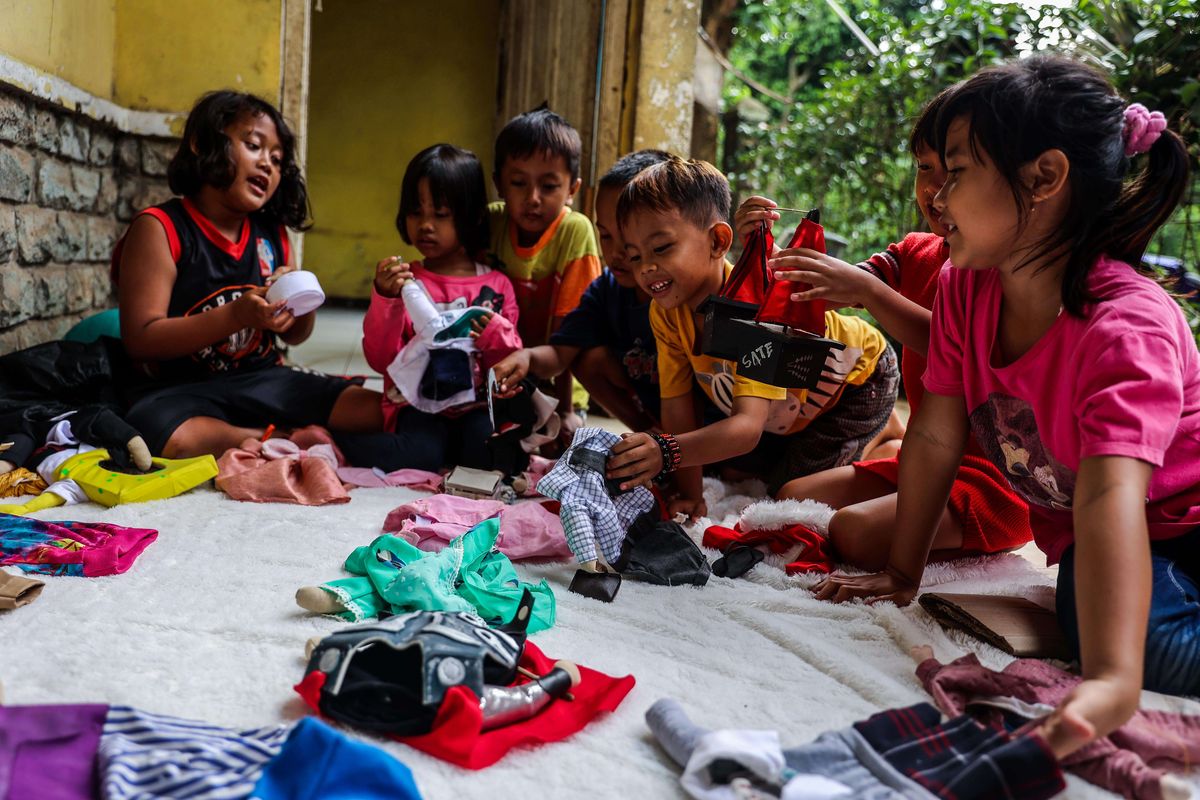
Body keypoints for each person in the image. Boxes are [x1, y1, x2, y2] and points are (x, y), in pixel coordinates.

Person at [813, 56, 1199, 758]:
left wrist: (1114, 681)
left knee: (1129, 645)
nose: (936, 197)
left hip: (1183, 519)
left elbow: (1111, 491)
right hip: (1119, 534)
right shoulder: (965, 288)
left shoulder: (1126, 325)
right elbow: (932, 436)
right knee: (1091, 613)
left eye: (955, 172)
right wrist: (904, 572)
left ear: (1043, 178)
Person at [740, 92, 1031, 569]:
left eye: (954, 172)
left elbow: (960, 349)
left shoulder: (1006, 271)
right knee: (791, 497)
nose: (936, 189)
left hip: (997, 482)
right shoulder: (917, 250)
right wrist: (757, 249)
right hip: (924, 461)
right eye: (924, 168)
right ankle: (892, 446)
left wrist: (871, 294)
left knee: (853, 534)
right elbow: (822, 294)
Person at [605, 157, 899, 516]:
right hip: (792, 410)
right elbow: (679, 408)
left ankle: (893, 449)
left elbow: (745, 429)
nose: (646, 267)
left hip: (858, 382)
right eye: (634, 257)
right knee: (732, 468)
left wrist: (665, 453)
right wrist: (692, 495)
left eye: (661, 248)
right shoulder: (664, 311)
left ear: (717, 241)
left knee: (791, 497)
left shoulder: (756, 309)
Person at [117, 91, 381, 458]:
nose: (268, 165)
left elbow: (297, 336)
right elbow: (141, 339)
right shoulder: (161, 227)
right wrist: (236, 315)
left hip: (264, 380)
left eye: (277, 159)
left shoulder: (271, 235)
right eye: (254, 145)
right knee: (160, 432)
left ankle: (274, 438)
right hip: (184, 388)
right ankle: (268, 436)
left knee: (377, 410)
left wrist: (298, 306)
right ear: (202, 143)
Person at [335, 144, 521, 472]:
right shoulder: (406, 284)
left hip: (475, 407)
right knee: (421, 455)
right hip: (417, 406)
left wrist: (495, 335)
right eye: (416, 212)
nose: (425, 225)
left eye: (441, 213)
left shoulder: (496, 287)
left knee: (489, 455)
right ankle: (334, 442)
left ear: (473, 216)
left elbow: (508, 367)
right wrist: (385, 298)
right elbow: (381, 361)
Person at [492, 149, 672, 432]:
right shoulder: (605, 290)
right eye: (606, 235)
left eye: (627, 237)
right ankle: (649, 431)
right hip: (653, 409)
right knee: (588, 359)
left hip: (704, 418)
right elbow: (561, 355)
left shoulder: (679, 293)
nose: (615, 253)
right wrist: (526, 357)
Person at [487, 105, 603, 433]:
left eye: (549, 186)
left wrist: (564, 410)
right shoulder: (491, 222)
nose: (533, 198)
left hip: (558, 373)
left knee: (555, 434)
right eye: (519, 183)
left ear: (572, 190)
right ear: (499, 183)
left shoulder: (575, 231)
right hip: (501, 369)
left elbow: (570, 332)